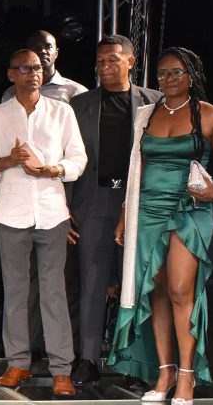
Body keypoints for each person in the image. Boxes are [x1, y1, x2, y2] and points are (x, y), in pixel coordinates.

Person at [109, 47, 213, 405]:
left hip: (189, 208)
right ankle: (164, 372)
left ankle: (186, 374)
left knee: (182, 289)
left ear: (193, 76)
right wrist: (124, 214)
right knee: (156, 289)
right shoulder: (147, 115)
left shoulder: (211, 115)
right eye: (163, 74)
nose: (169, 79)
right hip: (146, 209)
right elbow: (139, 169)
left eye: (177, 73)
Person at [0, 49, 87, 398]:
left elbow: (78, 158)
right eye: (25, 69)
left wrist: (53, 169)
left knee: (53, 291)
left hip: (52, 213)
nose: (33, 74)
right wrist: (8, 160)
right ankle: (18, 363)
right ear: (11, 75)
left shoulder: (61, 112)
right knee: (17, 291)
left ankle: (61, 370)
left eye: (37, 68)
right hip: (12, 213)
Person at [67, 36, 162, 384]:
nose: (105, 68)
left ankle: (134, 362)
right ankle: (88, 359)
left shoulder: (154, 102)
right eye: (100, 62)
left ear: (130, 62)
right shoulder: (80, 105)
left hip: (139, 203)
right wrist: (65, 203)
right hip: (92, 201)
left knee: (135, 284)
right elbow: (66, 156)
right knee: (92, 283)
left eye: (112, 60)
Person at [0, 29, 88, 104]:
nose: (42, 51)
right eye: (36, 47)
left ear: (56, 53)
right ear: (28, 53)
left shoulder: (76, 92)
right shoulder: (11, 93)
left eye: (48, 46)